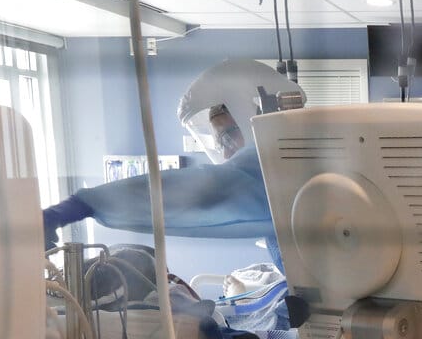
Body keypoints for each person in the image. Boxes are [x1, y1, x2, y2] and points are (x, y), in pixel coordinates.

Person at [42, 58, 306, 270]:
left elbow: (195, 192)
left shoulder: (273, 170)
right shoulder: (290, 162)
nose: (226, 153)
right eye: (220, 142)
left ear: (258, 111)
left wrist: (83, 205)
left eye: (227, 136)